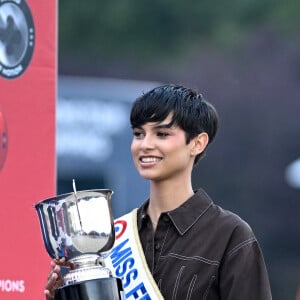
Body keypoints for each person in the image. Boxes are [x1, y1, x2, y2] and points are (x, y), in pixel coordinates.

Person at [45, 84, 272, 299]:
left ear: (197, 143)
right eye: (139, 133)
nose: (145, 144)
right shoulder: (113, 238)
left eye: (162, 134)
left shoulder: (230, 236)